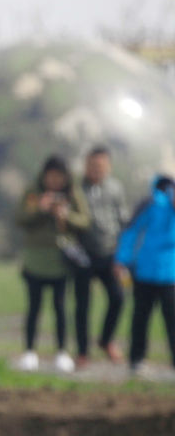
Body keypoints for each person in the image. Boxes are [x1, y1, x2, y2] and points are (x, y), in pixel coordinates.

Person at [15, 155, 90, 372]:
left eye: (59, 177)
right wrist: (41, 208)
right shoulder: (33, 192)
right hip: (35, 260)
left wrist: (65, 215)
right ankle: (29, 352)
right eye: (51, 176)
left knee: (60, 307)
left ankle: (61, 352)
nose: (55, 181)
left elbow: (85, 220)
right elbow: (20, 218)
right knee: (34, 307)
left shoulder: (72, 194)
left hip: (61, 260)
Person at [114, 174, 175, 374]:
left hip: (170, 274)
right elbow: (131, 231)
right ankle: (136, 359)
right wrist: (122, 260)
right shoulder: (150, 204)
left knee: (172, 319)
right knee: (140, 318)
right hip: (145, 272)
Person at [73, 146, 127, 367]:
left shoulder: (115, 188)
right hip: (83, 254)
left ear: (108, 166)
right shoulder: (76, 189)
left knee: (118, 297)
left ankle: (106, 340)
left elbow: (123, 220)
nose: (96, 170)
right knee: (82, 305)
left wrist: (122, 256)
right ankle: (83, 352)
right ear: (85, 166)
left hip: (109, 253)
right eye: (92, 165)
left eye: (100, 165)